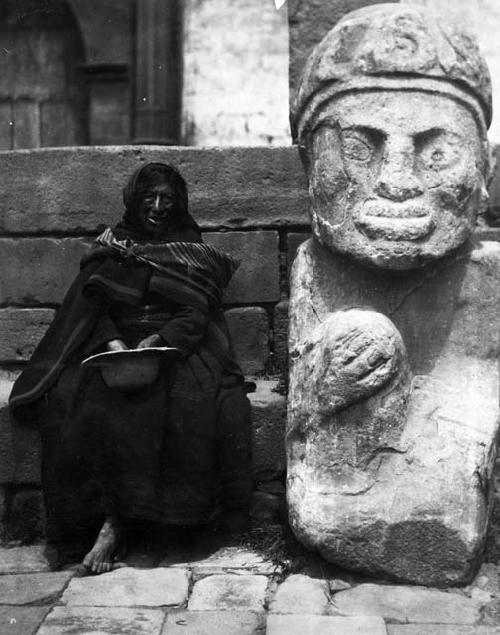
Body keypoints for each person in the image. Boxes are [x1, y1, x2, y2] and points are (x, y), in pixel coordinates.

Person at [9, 162, 252, 574]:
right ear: (133, 202)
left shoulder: (190, 246)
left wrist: (158, 343)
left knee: (182, 401)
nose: (157, 207)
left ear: (179, 206)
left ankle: (120, 526)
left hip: (175, 347)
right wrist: (113, 343)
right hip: (113, 343)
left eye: (167, 200)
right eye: (148, 199)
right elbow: (89, 306)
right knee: (73, 400)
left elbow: (196, 315)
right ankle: (92, 524)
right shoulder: (114, 244)